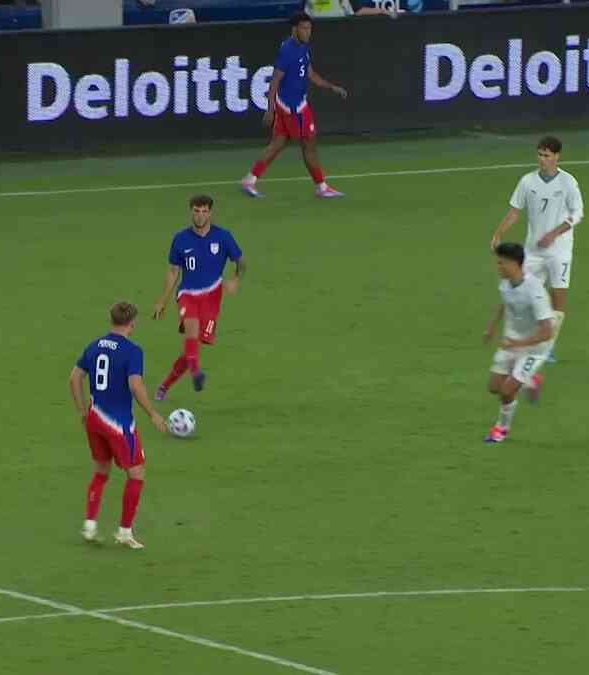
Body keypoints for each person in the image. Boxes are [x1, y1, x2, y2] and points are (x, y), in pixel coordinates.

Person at [69, 302, 167, 550]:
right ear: (132, 323)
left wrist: (82, 410)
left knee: (101, 471)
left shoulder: (95, 346)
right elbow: (135, 386)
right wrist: (153, 414)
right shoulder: (133, 351)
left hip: (94, 419)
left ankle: (89, 526)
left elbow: (74, 377)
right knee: (136, 473)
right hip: (119, 425)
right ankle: (124, 532)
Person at [489, 135, 584, 383]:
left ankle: (546, 348)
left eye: (547, 155)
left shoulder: (568, 182)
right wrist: (499, 232)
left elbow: (577, 215)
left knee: (558, 302)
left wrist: (553, 234)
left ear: (557, 157)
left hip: (560, 250)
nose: (542, 159)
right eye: (539, 155)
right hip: (532, 251)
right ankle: (522, 343)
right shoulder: (527, 181)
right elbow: (514, 212)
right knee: (522, 293)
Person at [241, 11, 347, 200]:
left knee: (278, 143)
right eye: (304, 28)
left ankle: (249, 180)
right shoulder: (287, 51)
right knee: (309, 144)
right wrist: (270, 109)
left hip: (292, 104)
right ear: (294, 29)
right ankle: (321, 187)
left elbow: (310, 73)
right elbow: (274, 81)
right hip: (293, 108)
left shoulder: (304, 48)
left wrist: (331, 87)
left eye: (310, 29)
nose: (308, 32)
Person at [152, 195, 245, 400]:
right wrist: (163, 300)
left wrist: (235, 280)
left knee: (191, 349)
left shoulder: (223, 237)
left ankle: (164, 387)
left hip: (212, 297)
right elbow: (173, 272)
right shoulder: (180, 239)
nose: (200, 215)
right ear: (191, 212)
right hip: (188, 295)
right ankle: (196, 372)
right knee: (191, 330)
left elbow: (241, 261)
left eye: (204, 211)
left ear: (210, 213)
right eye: (196, 211)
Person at [482, 243, 555, 444]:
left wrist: (519, 343)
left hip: (534, 348)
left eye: (501, 263)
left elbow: (547, 332)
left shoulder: (534, 290)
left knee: (507, 391)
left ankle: (501, 429)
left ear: (515, 264)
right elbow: (504, 302)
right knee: (494, 387)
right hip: (511, 343)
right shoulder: (505, 283)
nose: (498, 267)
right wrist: (491, 327)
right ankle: (531, 380)